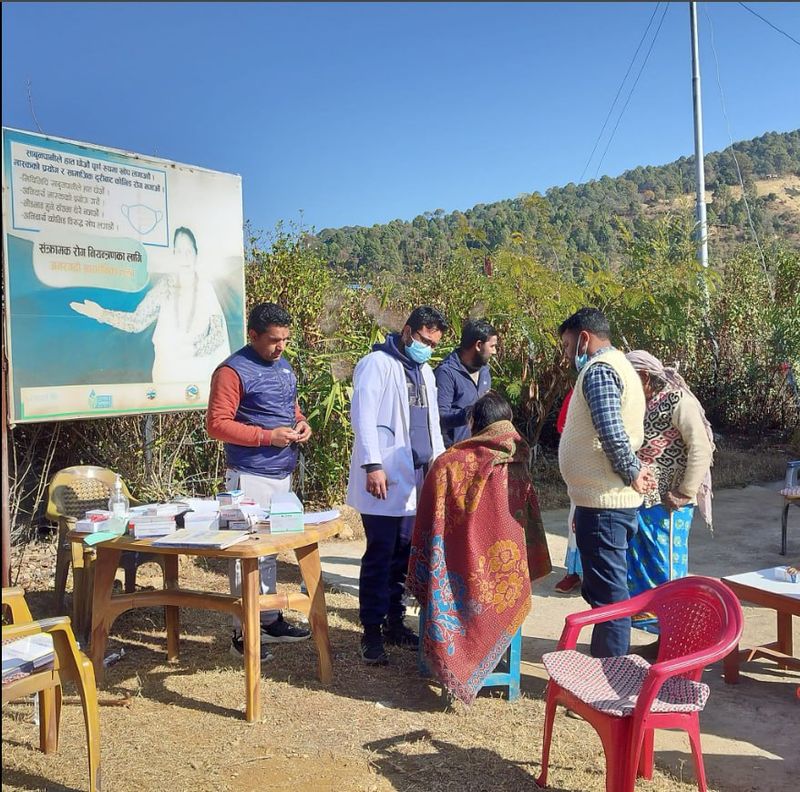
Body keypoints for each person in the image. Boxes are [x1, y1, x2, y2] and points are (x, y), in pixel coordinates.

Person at [408, 391, 551, 704]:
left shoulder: (448, 464)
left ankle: (452, 663)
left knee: (446, 576)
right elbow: (528, 522)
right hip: (504, 578)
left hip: (454, 569)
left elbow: (429, 523)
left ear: (475, 423)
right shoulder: (518, 459)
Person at [206, 302, 311, 659]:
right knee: (243, 553)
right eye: (273, 340)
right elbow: (217, 424)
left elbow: (287, 406)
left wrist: (300, 423)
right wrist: (268, 437)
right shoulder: (231, 371)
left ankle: (268, 619)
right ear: (252, 336)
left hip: (282, 473)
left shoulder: (283, 365)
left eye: (285, 339)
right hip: (247, 476)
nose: (280, 347)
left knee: (270, 548)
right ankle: (242, 631)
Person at [347, 306, 448, 664]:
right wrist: (372, 464)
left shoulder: (425, 371)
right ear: (407, 332)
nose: (427, 348)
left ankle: (394, 621)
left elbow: (432, 424)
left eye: (433, 344)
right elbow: (364, 416)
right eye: (423, 340)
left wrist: (439, 464)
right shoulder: (377, 363)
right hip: (384, 476)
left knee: (404, 555)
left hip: (416, 478)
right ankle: (370, 632)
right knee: (380, 553)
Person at [557, 307, 653, 657]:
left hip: (606, 505)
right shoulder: (621, 366)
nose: (568, 355)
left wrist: (630, 469)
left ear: (584, 338)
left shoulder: (600, 371)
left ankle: (610, 676)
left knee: (610, 597)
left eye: (568, 346)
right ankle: (607, 667)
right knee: (603, 592)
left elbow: (611, 431)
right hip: (600, 501)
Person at [70, 226, 230, 383]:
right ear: (174, 255)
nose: (185, 257)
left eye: (189, 251)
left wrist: (193, 350)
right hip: (166, 374)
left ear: (196, 255)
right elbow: (137, 322)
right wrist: (101, 314)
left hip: (198, 377)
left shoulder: (206, 289)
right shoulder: (164, 287)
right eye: (179, 252)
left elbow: (218, 334)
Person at [624, 350, 714, 609]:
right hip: (643, 499)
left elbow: (701, 446)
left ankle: (673, 633)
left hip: (669, 503)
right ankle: (657, 632)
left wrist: (685, 492)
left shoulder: (678, 401)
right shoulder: (641, 403)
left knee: (666, 570)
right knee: (642, 568)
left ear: (643, 377)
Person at [434, 319, 497, 448]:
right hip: (454, 454)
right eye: (492, 346)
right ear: (478, 345)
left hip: (480, 450)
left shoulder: (484, 371)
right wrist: (469, 413)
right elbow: (438, 417)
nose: (494, 351)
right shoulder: (446, 373)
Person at [553, 387, 583, 594]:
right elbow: (562, 426)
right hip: (582, 469)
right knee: (576, 523)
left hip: (615, 475)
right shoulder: (576, 392)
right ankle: (574, 571)